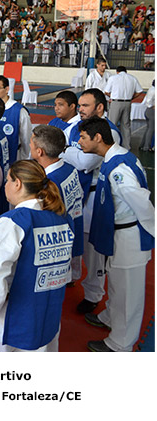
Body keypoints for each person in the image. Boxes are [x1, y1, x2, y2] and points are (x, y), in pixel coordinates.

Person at [0, 160, 74, 352]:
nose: (5, 186)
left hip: (9, 317)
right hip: (46, 312)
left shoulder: (13, 222)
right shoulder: (61, 218)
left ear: (17, 183)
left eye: (7, 180)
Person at [78, 117, 154, 351]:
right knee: (117, 285)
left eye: (83, 137)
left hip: (129, 237)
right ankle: (111, 316)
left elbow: (142, 203)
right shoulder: (114, 158)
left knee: (128, 293)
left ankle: (121, 344)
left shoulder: (119, 169)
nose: (79, 142)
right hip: (117, 233)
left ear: (98, 138)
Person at [62, 89, 121, 314]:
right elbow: (60, 148)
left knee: (92, 248)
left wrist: (66, 151)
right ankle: (72, 275)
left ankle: (93, 293)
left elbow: (85, 162)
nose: (80, 110)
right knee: (72, 237)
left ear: (100, 107)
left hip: (96, 195)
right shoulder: (76, 127)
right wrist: (69, 152)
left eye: (85, 105)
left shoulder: (109, 132)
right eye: (79, 105)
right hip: (74, 191)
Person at [30, 125, 84, 283]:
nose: (29, 146)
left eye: (31, 144)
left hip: (57, 243)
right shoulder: (70, 168)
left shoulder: (48, 183)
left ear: (40, 151)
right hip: (73, 229)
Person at [0, 75, 32, 163]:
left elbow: (26, 139)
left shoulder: (19, 111)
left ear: (7, 89)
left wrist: (24, 160)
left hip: (13, 157)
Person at [103, 66, 144, 150]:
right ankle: (127, 146)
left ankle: (111, 145)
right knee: (126, 125)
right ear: (126, 71)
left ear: (117, 71)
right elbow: (140, 91)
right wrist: (131, 97)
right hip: (127, 103)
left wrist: (112, 96)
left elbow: (106, 91)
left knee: (112, 124)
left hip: (116, 102)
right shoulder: (132, 78)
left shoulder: (113, 78)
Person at [139, 80, 155, 151]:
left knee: (149, 129)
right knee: (151, 129)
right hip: (152, 111)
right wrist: (153, 106)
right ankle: (147, 146)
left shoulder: (151, 89)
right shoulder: (153, 91)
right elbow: (148, 102)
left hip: (149, 111)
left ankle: (143, 145)